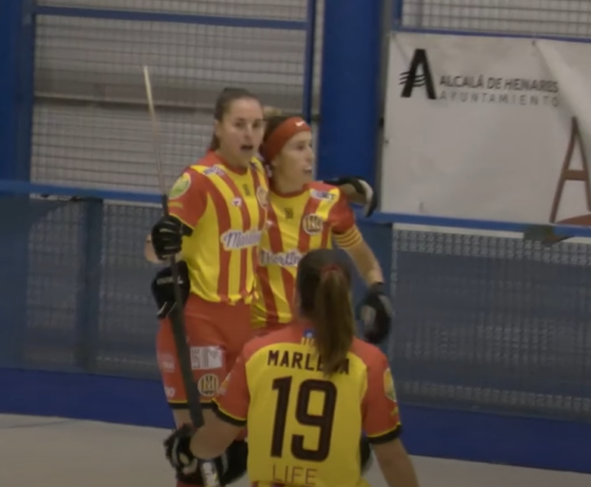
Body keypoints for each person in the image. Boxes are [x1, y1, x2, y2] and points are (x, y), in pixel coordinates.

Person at [164, 248, 420, 487]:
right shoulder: (369, 362)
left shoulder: (257, 353)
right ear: (345, 297)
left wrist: (187, 447)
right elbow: (391, 459)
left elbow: (217, 438)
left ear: (295, 296)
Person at [148, 87, 269, 487]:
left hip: (244, 324)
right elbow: (155, 248)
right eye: (239, 124)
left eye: (256, 124)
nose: (249, 133)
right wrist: (159, 239)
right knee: (199, 453)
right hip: (199, 323)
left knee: (242, 445)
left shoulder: (258, 175)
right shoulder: (199, 180)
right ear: (218, 128)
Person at [252, 114, 392, 343]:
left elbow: (364, 259)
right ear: (274, 158)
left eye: (310, 145)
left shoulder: (329, 200)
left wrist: (376, 289)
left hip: (316, 332)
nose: (311, 156)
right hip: (261, 334)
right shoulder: (252, 198)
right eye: (299, 148)